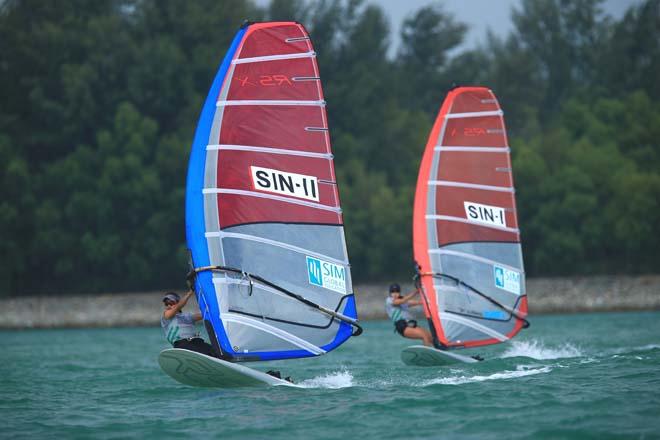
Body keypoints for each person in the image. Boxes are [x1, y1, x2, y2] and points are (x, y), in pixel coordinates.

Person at [161, 290, 217, 357]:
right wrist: (190, 293)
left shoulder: (188, 316)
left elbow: (205, 314)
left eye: (171, 303)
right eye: (166, 304)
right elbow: (178, 306)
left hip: (196, 342)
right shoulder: (166, 315)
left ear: (177, 302)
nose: (168, 306)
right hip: (181, 345)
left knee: (216, 352)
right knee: (204, 353)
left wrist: (213, 306)